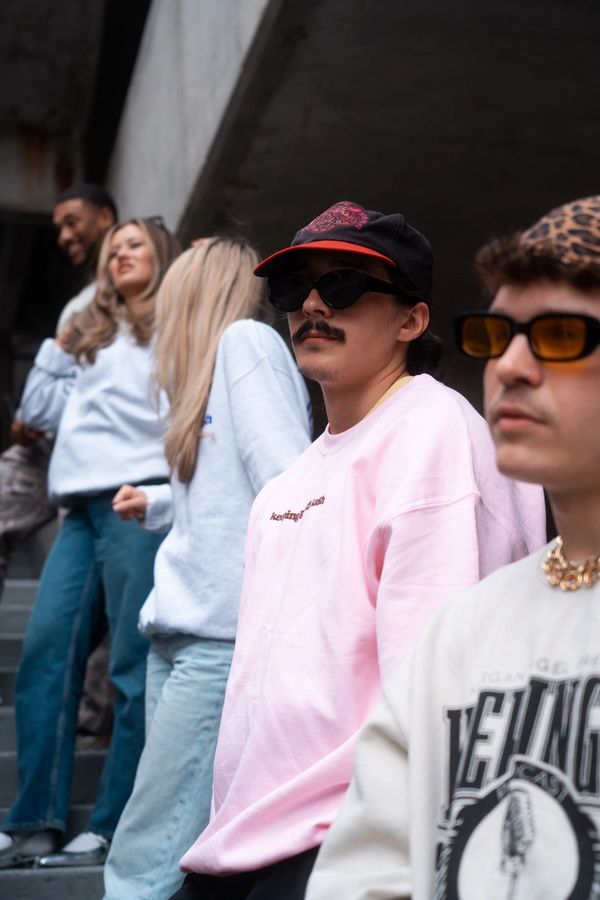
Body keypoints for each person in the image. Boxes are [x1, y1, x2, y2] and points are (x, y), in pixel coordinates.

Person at [170, 201, 547, 900]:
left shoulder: (432, 435)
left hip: (353, 843)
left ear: (411, 320)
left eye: (343, 286)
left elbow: (440, 692)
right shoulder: (288, 481)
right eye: (293, 291)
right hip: (242, 837)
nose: (312, 303)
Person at [304, 194, 600, 900]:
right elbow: (367, 878)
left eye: (559, 336)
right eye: (497, 337)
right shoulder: (462, 631)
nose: (510, 367)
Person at [102, 236, 312, 900]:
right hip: (183, 630)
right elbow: (225, 489)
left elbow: (289, 483)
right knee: (178, 833)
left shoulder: (245, 345)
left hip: (221, 635)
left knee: (152, 843)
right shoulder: (199, 376)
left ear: (196, 287)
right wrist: (160, 501)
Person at [0, 217, 181, 869]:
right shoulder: (91, 331)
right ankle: (34, 820)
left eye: (133, 244)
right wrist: (59, 343)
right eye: (114, 250)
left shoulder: (177, 327)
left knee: (134, 666)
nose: (120, 254)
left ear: (162, 257)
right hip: (77, 507)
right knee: (47, 653)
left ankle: (113, 824)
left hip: (138, 500)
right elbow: (36, 415)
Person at [0, 183, 117, 595]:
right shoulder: (77, 307)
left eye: (72, 222)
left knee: (98, 603)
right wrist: (29, 420)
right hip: (63, 444)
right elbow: (54, 389)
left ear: (105, 216)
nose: (64, 236)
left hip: (121, 454)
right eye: (58, 228)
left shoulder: (148, 289)